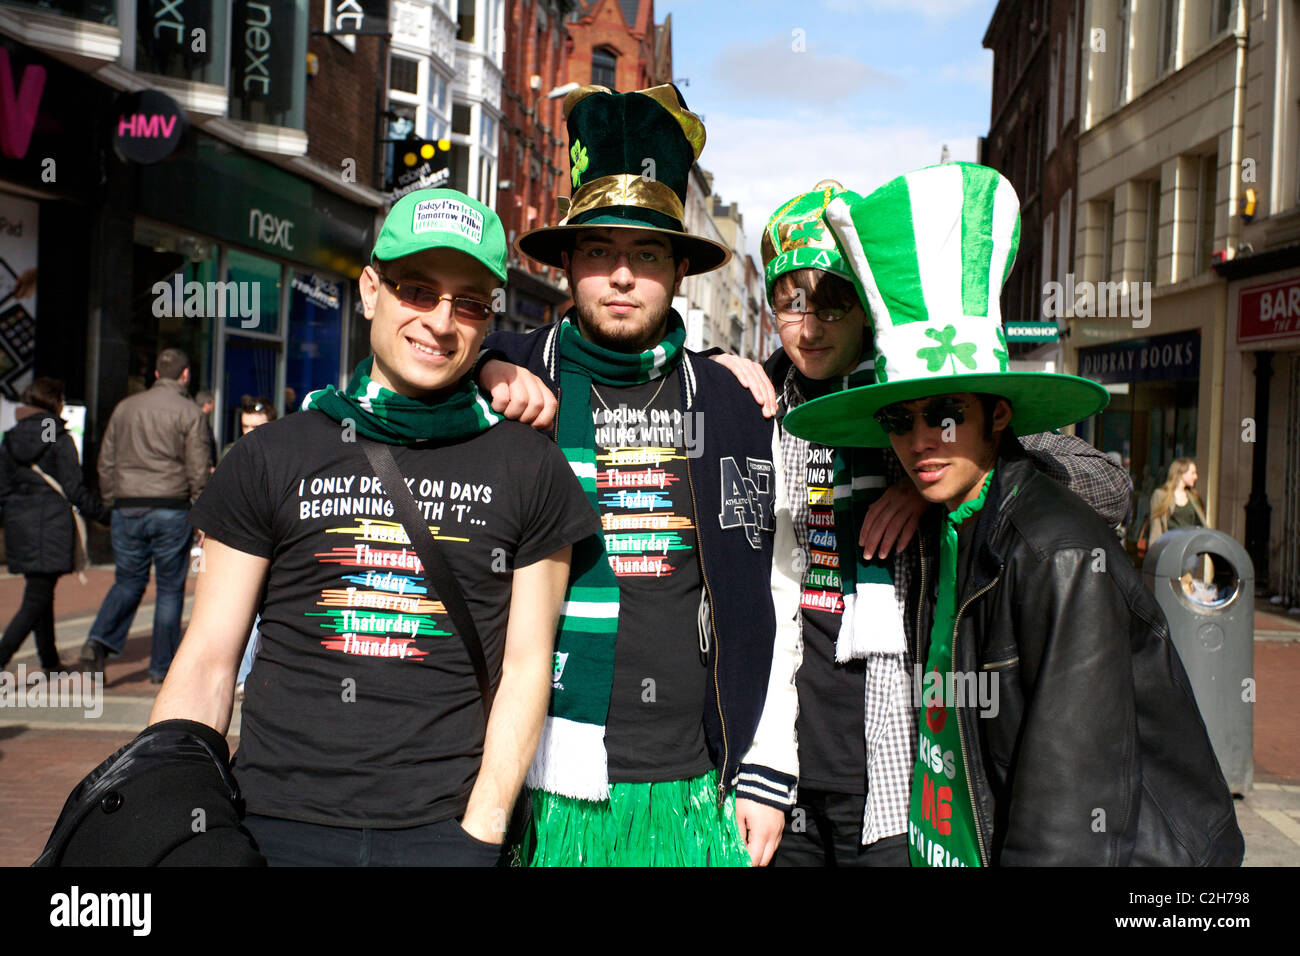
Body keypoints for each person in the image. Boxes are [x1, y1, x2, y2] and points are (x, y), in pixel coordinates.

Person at [783, 162, 1243, 865]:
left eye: (944, 413)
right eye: (899, 419)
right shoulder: (949, 525)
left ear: (998, 414)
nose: (919, 441)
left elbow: (1065, 814)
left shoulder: (1055, 555)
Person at [148, 187, 600, 866]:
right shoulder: (271, 455)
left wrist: (481, 832)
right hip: (271, 824)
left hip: (441, 833)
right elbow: (210, 658)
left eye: (469, 302)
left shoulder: (530, 466)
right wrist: (176, 822)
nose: (441, 322)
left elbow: (527, 667)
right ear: (369, 290)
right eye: (417, 290)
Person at [746, 182, 1136, 868]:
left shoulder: (917, 396)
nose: (810, 326)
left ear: (864, 306)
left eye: (833, 299)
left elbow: (1108, 486)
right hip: (786, 771)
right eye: (790, 300)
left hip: (903, 770)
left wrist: (940, 478)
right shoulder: (753, 409)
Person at [484, 83, 783, 866]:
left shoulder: (731, 401)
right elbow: (367, 402)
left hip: (689, 780)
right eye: (600, 252)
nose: (621, 275)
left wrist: (762, 771)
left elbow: (774, 589)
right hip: (523, 771)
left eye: (646, 254)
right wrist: (482, 371)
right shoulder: (501, 377)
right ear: (569, 266)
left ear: (680, 270)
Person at [80, 348, 210, 683]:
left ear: (155, 375)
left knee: (128, 581)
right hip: (170, 506)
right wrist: (200, 506)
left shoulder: (125, 408)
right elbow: (198, 469)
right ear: (184, 375)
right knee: (169, 589)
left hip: (128, 506)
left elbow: (105, 461)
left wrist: (112, 501)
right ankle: (161, 668)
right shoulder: (189, 412)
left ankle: (98, 641)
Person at [0, 377, 111, 672]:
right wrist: (104, 516)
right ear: (55, 401)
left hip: (19, 523)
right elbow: (74, 489)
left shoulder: (11, 436)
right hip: (50, 525)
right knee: (37, 597)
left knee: (40, 591)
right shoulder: (55, 435)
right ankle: (2, 655)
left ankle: (49, 660)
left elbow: (3, 488)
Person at [232, 396, 279, 697]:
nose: (251, 433)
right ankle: (242, 675)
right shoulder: (233, 455)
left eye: (257, 426)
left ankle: (252, 673)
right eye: (246, 427)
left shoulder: (284, 456)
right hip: (241, 546)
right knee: (242, 609)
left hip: (272, 545)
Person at [1148, 457, 1207, 540]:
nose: (1196, 477)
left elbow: (1201, 524)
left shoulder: (1193, 497)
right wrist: (1155, 550)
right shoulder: (1160, 495)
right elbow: (1155, 527)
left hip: (1190, 547)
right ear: (1181, 473)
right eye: (1193, 473)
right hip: (1170, 546)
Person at [195, 390, 217, 472]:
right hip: (203, 470)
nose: (213, 407)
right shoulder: (200, 422)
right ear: (207, 404)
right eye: (212, 404)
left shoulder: (198, 420)